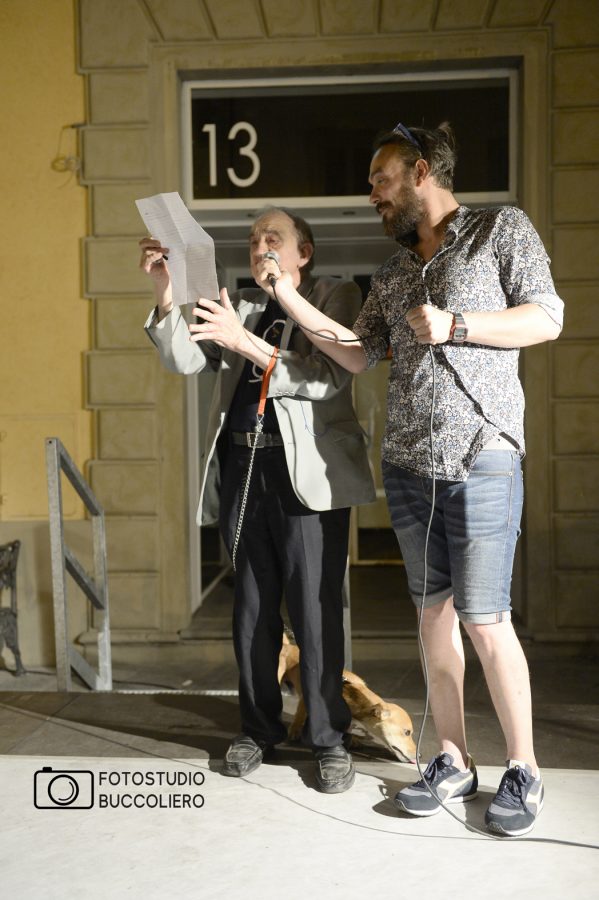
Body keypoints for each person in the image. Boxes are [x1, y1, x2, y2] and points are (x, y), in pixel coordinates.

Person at [255, 123, 563, 836]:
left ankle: (523, 767)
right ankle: (452, 757)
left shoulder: (497, 229)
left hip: (482, 454)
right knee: (433, 619)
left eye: (380, 179)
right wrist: (287, 298)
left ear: (421, 171)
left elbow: (547, 317)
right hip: (408, 464)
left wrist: (458, 324)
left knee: (484, 619)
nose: (372, 194)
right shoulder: (393, 271)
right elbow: (356, 352)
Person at [140, 207, 375, 793]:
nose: (260, 245)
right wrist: (165, 291)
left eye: (274, 237)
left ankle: (328, 736)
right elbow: (185, 358)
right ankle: (258, 728)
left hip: (307, 477)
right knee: (251, 607)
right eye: (252, 239)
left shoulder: (335, 295)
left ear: (304, 252)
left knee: (315, 609)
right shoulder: (239, 303)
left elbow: (326, 377)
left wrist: (241, 340)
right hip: (244, 464)